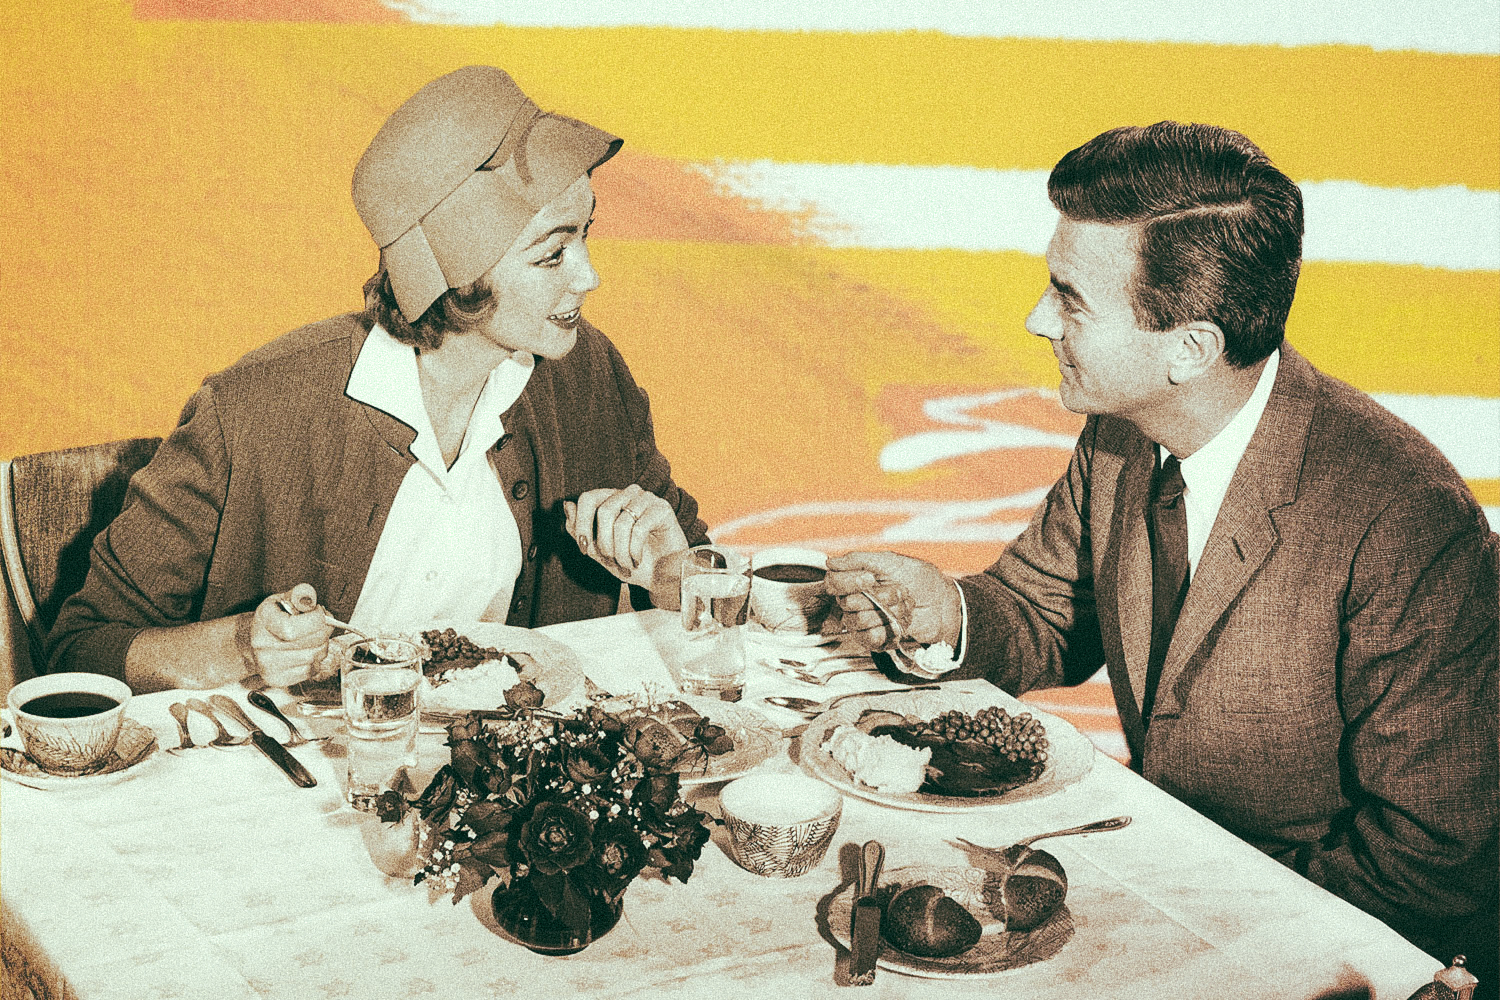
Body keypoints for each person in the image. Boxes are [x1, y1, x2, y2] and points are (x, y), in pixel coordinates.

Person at [825, 122, 1498, 979]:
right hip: (1168, 888)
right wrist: (943, 611)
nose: (1039, 320)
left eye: (1070, 298)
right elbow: (1045, 611)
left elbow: (1433, 860)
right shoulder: (1122, 434)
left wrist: (1194, 937)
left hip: (1312, 944)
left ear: (1191, 350)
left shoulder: (1405, 520)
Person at [48, 66, 707, 693]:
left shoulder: (586, 376)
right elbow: (80, 648)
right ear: (462, 271)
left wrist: (673, 572)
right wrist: (245, 644)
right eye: (552, 253)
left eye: (584, 235)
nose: (587, 275)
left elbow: (705, 575)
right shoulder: (253, 414)